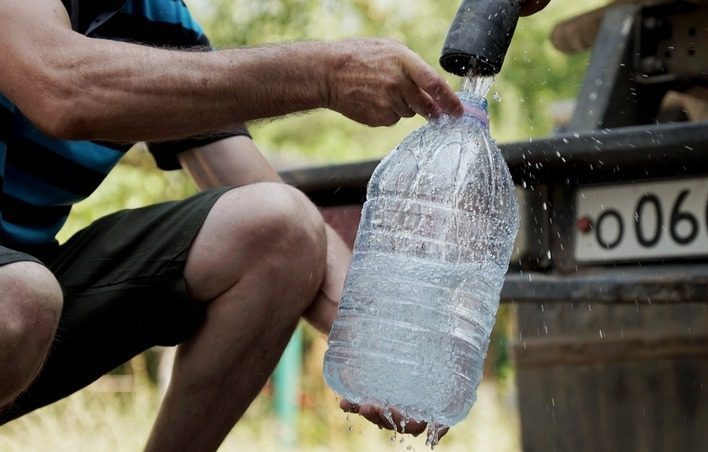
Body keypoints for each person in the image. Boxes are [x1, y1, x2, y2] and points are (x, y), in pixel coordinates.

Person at [0, 0, 548, 449]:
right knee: (21, 298)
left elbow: (268, 212)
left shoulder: (156, 21)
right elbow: (64, 89)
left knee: (282, 226)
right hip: (16, 301)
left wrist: (383, 346)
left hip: (27, 317)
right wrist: (324, 74)